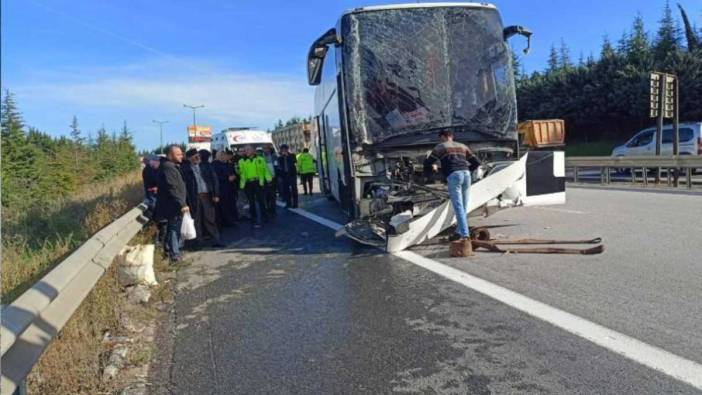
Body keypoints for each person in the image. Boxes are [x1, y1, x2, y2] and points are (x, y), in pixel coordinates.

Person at [423, 130, 481, 241]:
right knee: (463, 206)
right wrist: (467, 170)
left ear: (444, 137)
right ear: (452, 137)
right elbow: (477, 162)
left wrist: (432, 169)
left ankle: (465, 235)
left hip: (454, 176)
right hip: (466, 175)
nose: (440, 140)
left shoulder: (441, 147)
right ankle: (458, 232)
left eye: (441, 138)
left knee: (458, 207)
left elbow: (427, 162)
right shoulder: (463, 146)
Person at [181, 149, 223, 248]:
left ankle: (216, 240)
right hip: (194, 198)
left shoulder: (206, 166)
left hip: (207, 196)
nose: (197, 158)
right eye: (195, 157)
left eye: (198, 156)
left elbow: (214, 180)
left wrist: (216, 194)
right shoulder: (185, 169)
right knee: (197, 220)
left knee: (210, 219)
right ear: (189, 158)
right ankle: (199, 243)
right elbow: (184, 185)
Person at [154, 145, 188, 263]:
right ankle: (175, 255)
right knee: (174, 229)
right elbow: (172, 187)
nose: (181, 156)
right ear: (170, 155)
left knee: (171, 230)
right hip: (172, 206)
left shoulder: (170, 166)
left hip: (172, 205)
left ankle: (169, 252)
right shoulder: (168, 167)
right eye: (178, 154)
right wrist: (182, 204)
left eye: (181, 154)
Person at [238, 145, 270, 228]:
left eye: (248, 149)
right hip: (248, 184)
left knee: (261, 201)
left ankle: (264, 217)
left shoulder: (260, 159)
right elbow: (241, 173)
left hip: (258, 182)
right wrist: (242, 185)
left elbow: (265, 169)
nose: (246, 151)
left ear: (253, 150)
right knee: (251, 202)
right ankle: (254, 218)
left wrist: (269, 179)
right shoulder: (241, 161)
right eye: (245, 150)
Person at [212, 150, 237, 227]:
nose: (224, 156)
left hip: (230, 187)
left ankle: (230, 220)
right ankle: (225, 222)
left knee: (229, 205)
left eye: (224, 155)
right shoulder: (214, 165)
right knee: (223, 206)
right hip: (221, 189)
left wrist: (233, 176)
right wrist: (227, 178)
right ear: (218, 156)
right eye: (222, 155)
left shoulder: (227, 164)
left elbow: (232, 172)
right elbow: (215, 177)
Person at [261, 144, 278, 217]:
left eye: (267, 148)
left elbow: (277, 166)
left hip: (273, 179)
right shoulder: (260, 157)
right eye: (264, 148)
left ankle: (273, 210)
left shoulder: (274, 156)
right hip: (264, 179)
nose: (266, 150)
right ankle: (267, 208)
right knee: (266, 196)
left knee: (273, 196)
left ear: (269, 149)